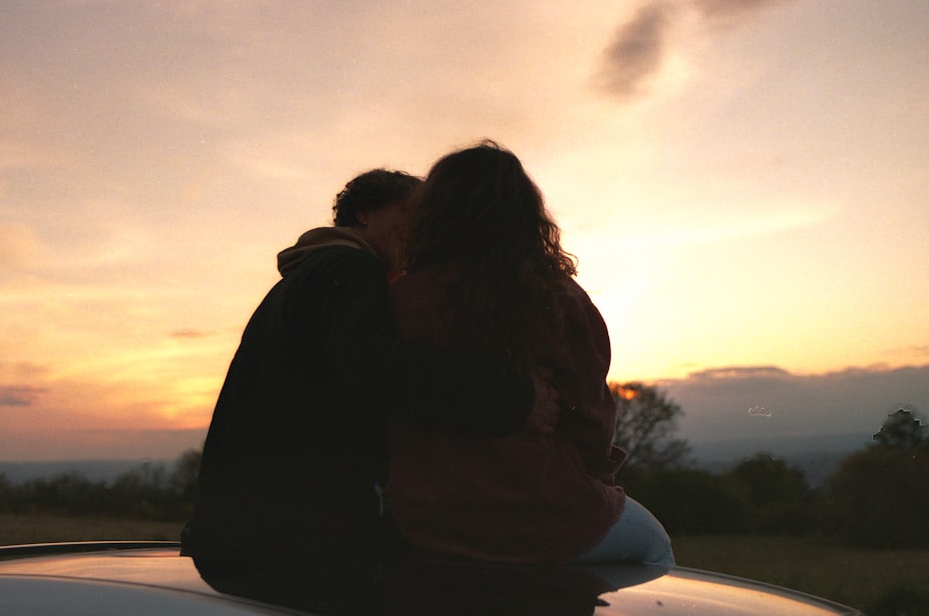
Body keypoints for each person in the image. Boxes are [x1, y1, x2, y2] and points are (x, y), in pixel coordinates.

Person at [182, 169, 559, 589]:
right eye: (407, 211)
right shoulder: (352, 266)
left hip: (246, 533)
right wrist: (513, 397)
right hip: (295, 544)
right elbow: (378, 367)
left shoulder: (307, 278)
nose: (418, 228)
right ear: (364, 213)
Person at [386, 142, 674, 567]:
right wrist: (595, 482)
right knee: (654, 546)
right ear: (526, 217)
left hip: (425, 517)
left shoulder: (398, 300)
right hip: (543, 509)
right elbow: (591, 423)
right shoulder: (558, 298)